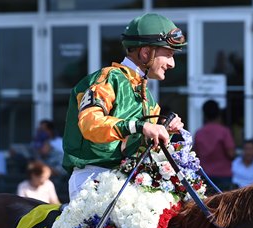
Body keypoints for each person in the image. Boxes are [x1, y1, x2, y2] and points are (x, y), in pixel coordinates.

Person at [62, 13, 185, 200]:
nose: (172, 63)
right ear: (145, 53)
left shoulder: (150, 100)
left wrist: (165, 131)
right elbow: (90, 124)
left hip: (127, 182)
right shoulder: (107, 79)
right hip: (93, 178)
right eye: (168, 54)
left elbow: (137, 148)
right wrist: (140, 126)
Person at [193, 100, 235, 191]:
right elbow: (231, 154)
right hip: (223, 175)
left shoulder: (199, 133)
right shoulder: (224, 131)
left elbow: (196, 154)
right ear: (219, 114)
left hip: (205, 175)